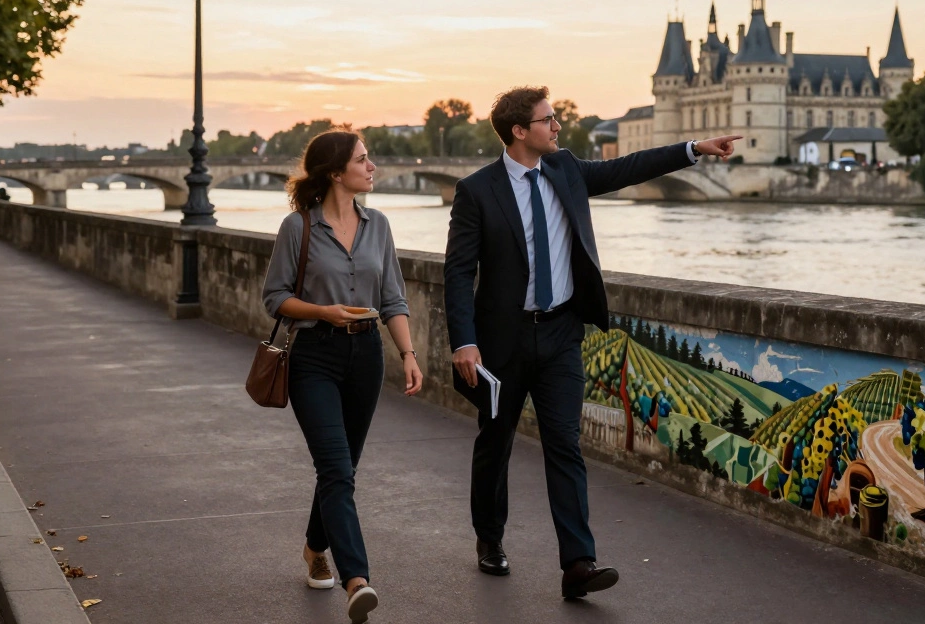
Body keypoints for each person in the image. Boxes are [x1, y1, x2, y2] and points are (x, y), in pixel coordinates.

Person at [444, 86, 737, 599]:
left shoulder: (567, 170)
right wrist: (464, 343)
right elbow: (457, 272)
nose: (558, 126)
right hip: (502, 341)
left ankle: (579, 563)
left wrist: (693, 149)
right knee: (495, 442)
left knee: (565, 444)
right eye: (548, 120)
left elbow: (628, 167)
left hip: (561, 333)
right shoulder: (477, 190)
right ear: (519, 131)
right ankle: (489, 538)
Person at [262, 129, 423, 624]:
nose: (372, 166)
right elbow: (275, 297)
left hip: (366, 356)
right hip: (314, 356)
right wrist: (322, 312)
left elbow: (392, 297)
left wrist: (408, 354)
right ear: (336, 172)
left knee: (342, 468)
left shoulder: (379, 225)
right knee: (335, 468)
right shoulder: (297, 227)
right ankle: (357, 580)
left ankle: (315, 547)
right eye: (362, 159)